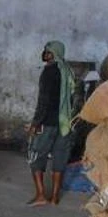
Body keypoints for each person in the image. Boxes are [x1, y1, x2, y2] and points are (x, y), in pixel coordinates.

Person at [27, 41, 76, 206]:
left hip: (46, 123)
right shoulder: (67, 71)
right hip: (65, 123)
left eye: (48, 52)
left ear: (54, 54)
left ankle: (41, 195)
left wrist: (35, 123)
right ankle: (55, 197)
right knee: (59, 159)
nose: (45, 54)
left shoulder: (49, 72)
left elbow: (44, 101)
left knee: (35, 156)